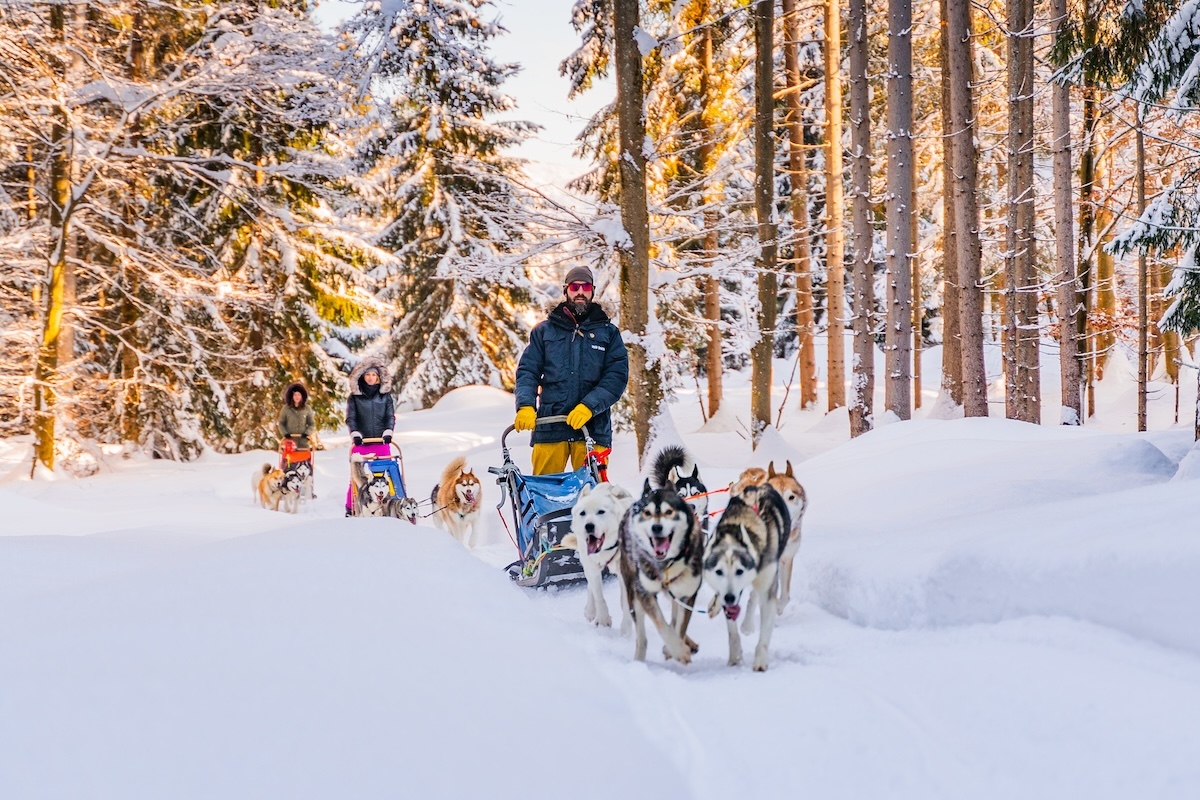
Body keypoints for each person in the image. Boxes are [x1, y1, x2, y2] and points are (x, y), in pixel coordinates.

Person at [514, 265, 629, 475]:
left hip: (592, 429)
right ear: (566, 290)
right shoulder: (544, 331)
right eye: (575, 287)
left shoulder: (609, 333)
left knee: (594, 498)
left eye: (585, 287)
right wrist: (525, 405)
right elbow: (528, 371)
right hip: (551, 427)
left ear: (592, 290)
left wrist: (589, 406)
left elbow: (616, 377)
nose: (580, 292)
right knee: (545, 495)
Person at [345, 359, 396, 516]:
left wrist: (388, 431)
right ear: (362, 376)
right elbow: (351, 417)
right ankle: (351, 506)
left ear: (379, 377)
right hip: (362, 442)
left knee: (387, 473)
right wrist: (355, 433)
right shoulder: (354, 397)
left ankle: (392, 503)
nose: (371, 378)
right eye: (368, 374)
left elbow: (390, 416)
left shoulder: (385, 397)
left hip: (381, 441)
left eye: (374, 375)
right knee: (358, 475)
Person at [278, 382, 316, 451]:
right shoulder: (286, 409)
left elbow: (312, 424)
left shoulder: (307, 408)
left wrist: (307, 433)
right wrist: (285, 434)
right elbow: (281, 423)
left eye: (299, 395)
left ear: (302, 396)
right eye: (295, 395)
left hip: (303, 443)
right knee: (289, 461)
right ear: (291, 396)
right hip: (289, 443)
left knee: (304, 459)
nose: (297, 397)